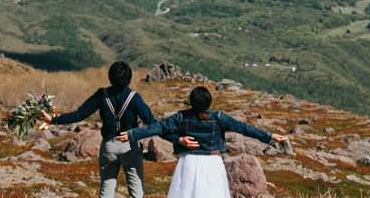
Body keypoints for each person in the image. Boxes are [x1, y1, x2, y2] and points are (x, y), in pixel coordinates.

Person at [41, 61, 187, 198]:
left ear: (110, 78)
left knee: (106, 189)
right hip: (130, 146)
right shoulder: (134, 98)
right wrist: (177, 139)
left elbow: (79, 114)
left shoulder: (101, 95)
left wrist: (53, 120)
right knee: (136, 192)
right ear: (129, 79)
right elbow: (154, 125)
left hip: (109, 146)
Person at [119, 86, 287, 198]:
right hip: (212, 163)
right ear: (209, 102)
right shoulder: (219, 117)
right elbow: (243, 128)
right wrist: (269, 136)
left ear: (191, 102)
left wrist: (133, 134)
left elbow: (158, 128)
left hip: (189, 161)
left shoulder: (181, 116)